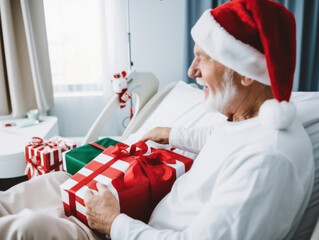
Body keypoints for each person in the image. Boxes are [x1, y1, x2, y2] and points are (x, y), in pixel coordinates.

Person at [0, 0, 314, 239]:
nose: (192, 71)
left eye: (202, 58)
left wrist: (113, 222)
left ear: (245, 73)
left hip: (131, 229)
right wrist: (170, 132)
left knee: (29, 227)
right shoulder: (250, 117)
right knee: (49, 184)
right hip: (141, 214)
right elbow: (218, 138)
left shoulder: (268, 161)